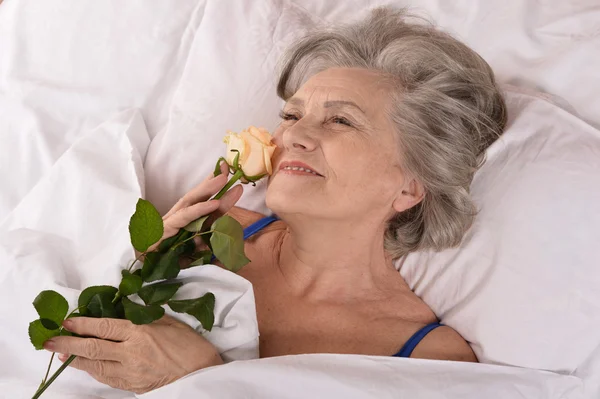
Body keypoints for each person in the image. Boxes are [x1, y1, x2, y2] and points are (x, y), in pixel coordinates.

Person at [43, 7, 506, 394]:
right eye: (290, 114)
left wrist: (199, 381)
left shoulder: (426, 354)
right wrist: (137, 263)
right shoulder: (200, 240)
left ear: (409, 185)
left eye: (341, 121)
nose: (294, 135)